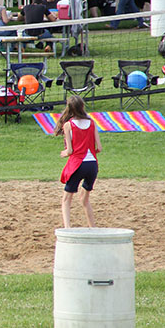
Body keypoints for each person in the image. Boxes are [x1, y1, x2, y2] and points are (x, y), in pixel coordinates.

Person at [54, 95, 100, 228]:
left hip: (78, 164)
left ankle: (67, 228)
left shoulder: (68, 125)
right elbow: (99, 148)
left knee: (66, 199)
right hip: (92, 165)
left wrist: (64, 154)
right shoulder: (92, 122)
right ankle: (93, 228)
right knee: (85, 199)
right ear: (82, 107)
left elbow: (69, 151)